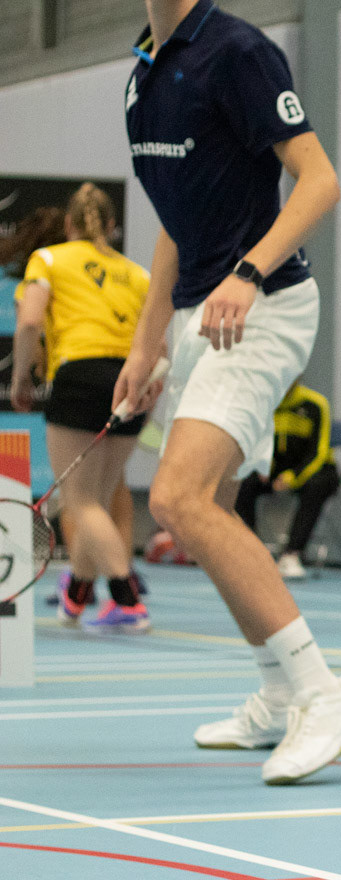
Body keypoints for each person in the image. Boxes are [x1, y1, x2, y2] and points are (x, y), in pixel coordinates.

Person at [115, 0, 341, 785]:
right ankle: (275, 692)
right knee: (211, 511)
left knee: (178, 499)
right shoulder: (143, 73)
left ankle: (323, 694)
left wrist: (248, 272)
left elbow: (320, 181)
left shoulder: (238, 53)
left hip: (261, 307)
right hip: (199, 314)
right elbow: (173, 221)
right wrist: (146, 345)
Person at [7, 191, 152, 631]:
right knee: (98, 502)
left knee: (81, 501)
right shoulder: (137, 273)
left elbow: (30, 321)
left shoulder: (49, 259)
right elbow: (158, 342)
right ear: (111, 227)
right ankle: (77, 596)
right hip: (131, 383)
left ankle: (127, 600)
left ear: (69, 224)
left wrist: (21, 378)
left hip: (80, 378)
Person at [234, 379, 341, 581]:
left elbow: (318, 452)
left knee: (318, 484)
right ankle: (251, 552)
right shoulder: (266, 404)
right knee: (243, 482)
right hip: (277, 470)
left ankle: (292, 554)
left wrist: (293, 477)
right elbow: (260, 443)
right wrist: (262, 465)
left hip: (313, 469)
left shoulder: (316, 404)